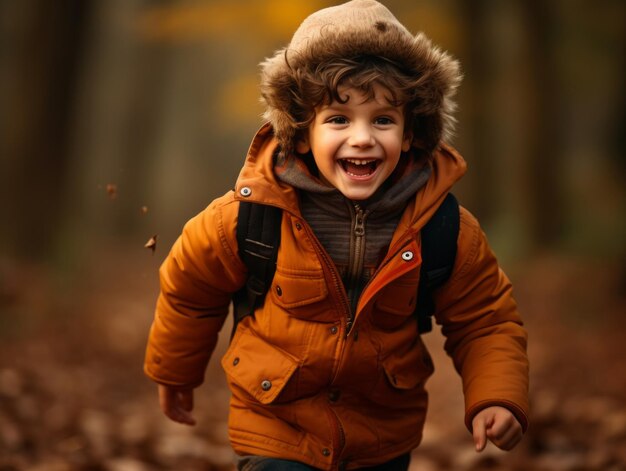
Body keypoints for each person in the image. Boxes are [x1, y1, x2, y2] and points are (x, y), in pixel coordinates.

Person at [143, 1, 530, 470]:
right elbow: (190, 290)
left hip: (381, 432)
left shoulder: (442, 227)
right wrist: (175, 372)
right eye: (339, 119)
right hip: (276, 425)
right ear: (302, 132)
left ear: (410, 134)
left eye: (383, 120)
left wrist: (497, 398)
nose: (363, 137)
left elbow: (485, 320)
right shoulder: (251, 215)